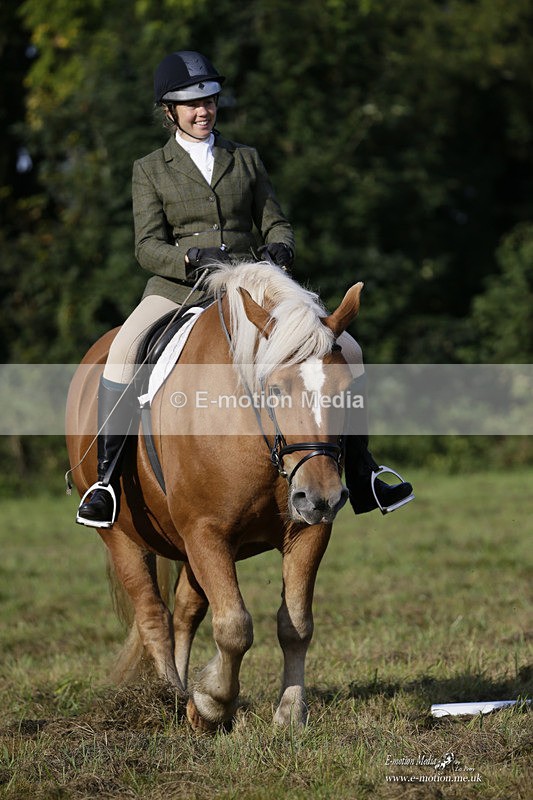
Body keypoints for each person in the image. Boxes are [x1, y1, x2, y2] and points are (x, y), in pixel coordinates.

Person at [76, 50, 413, 528]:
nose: (203, 111)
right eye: (191, 105)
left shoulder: (245, 158)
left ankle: (363, 472)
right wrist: (190, 259)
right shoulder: (150, 168)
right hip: (179, 289)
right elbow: (147, 245)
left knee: (349, 349)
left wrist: (279, 248)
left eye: (210, 101)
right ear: (169, 111)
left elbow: (276, 221)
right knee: (125, 350)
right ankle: (106, 483)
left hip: (255, 288)